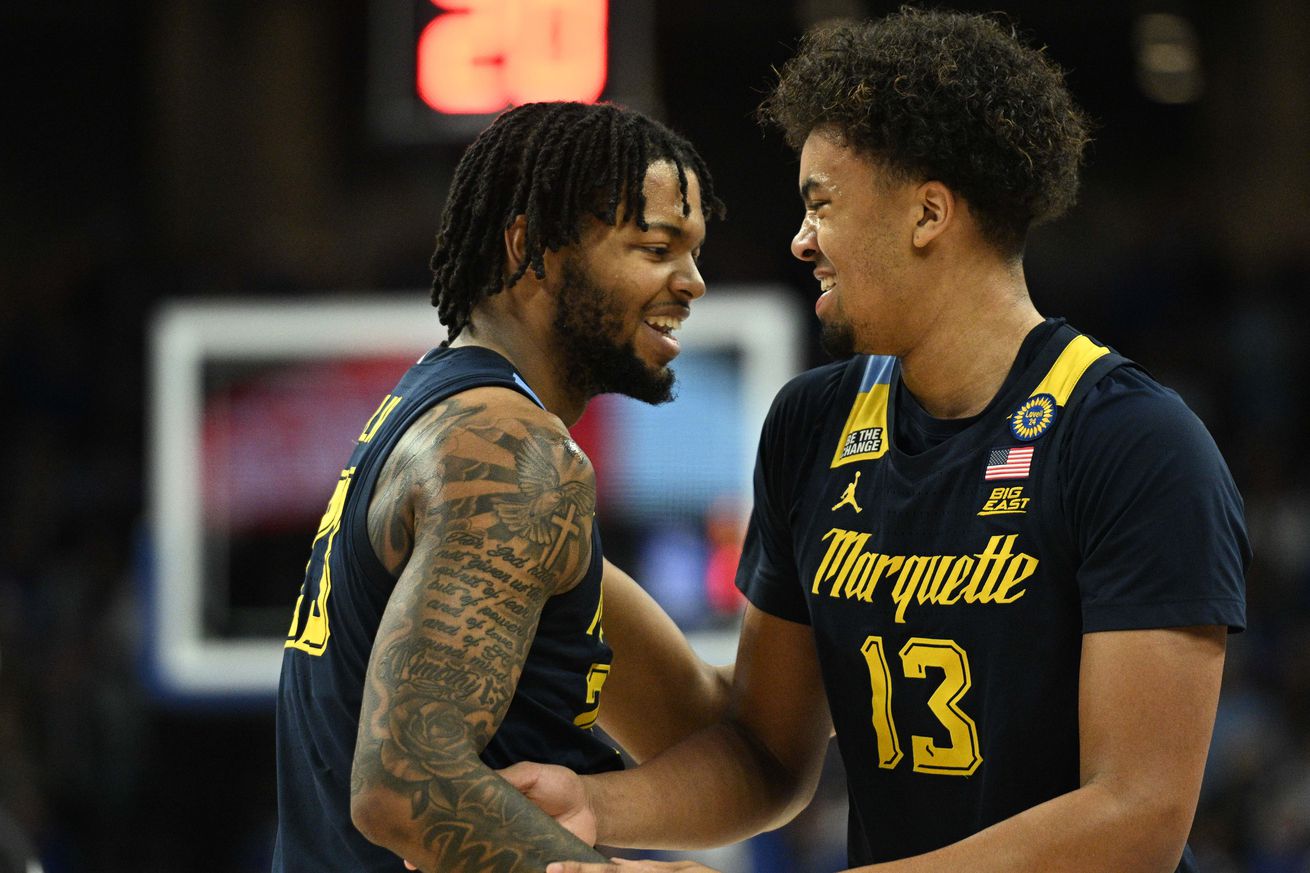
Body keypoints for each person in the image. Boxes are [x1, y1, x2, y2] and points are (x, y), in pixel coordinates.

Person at [503, 9, 1250, 873]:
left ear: (928, 213)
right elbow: (766, 753)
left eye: (821, 203)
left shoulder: (1136, 442)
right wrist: (592, 800)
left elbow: (1134, 819)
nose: (801, 239)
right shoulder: (812, 424)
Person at [273, 100, 730, 873]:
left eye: (692, 252)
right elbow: (403, 787)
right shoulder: (510, 448)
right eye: (656, 246)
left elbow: (709, 730)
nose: (693, 282)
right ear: (532, 248)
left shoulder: (449, 414)